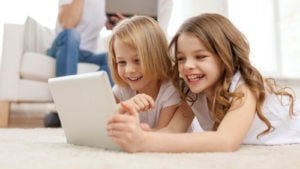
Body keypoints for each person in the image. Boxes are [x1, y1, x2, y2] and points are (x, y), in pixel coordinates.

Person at [107, 13, 300, 153]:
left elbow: (226, 141)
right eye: (181, 59)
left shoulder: (245, 87)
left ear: (225, 57)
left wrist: (144, 142)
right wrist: (133, 132)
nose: (188, 66)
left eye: (200, 57)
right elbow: (173, 131)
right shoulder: (191, 91)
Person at [44, 0, 112, 127]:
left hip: (87, 54)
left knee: (114, 58)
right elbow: (68, 23)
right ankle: (64, 110)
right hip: (63, 47)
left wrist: (115, 23)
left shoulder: (105, 3)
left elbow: (108, 24)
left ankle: (87, 107)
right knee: (71, 34)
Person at [108, 16, 182, 130]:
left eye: (138, 60)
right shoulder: (122, 88)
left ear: (157, 57)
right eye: (122, 62)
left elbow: (162, 136)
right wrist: (123, 107)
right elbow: (102, 121)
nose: (129, 70)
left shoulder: (170, 90)